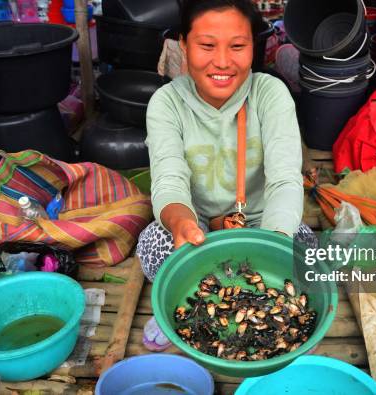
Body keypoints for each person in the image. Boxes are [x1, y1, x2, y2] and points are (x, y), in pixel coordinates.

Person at [136, 0, 313, 350]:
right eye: (206, 45)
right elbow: (168, 181)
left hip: (262, 223)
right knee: (154, 243)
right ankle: (192, 304)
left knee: (305, 248)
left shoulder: (269, 94)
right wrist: (181, 225)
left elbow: (284, 181)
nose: (222, 61)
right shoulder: (166, 103)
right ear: (183, 45)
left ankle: (248, 302)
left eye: (237, 46)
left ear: (253, 47)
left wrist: (270, 245)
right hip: (200, 229)